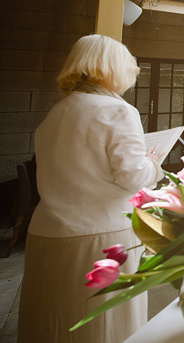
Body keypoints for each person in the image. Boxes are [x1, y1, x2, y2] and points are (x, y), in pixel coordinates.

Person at [18, 35, 166, 343]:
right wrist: (153, 164)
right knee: (102, 325)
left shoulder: (56, 113)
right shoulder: (118, 110)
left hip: (46, 233)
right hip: (100, 235)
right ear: (112, 68)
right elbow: (132, 175)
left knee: (52, 322)